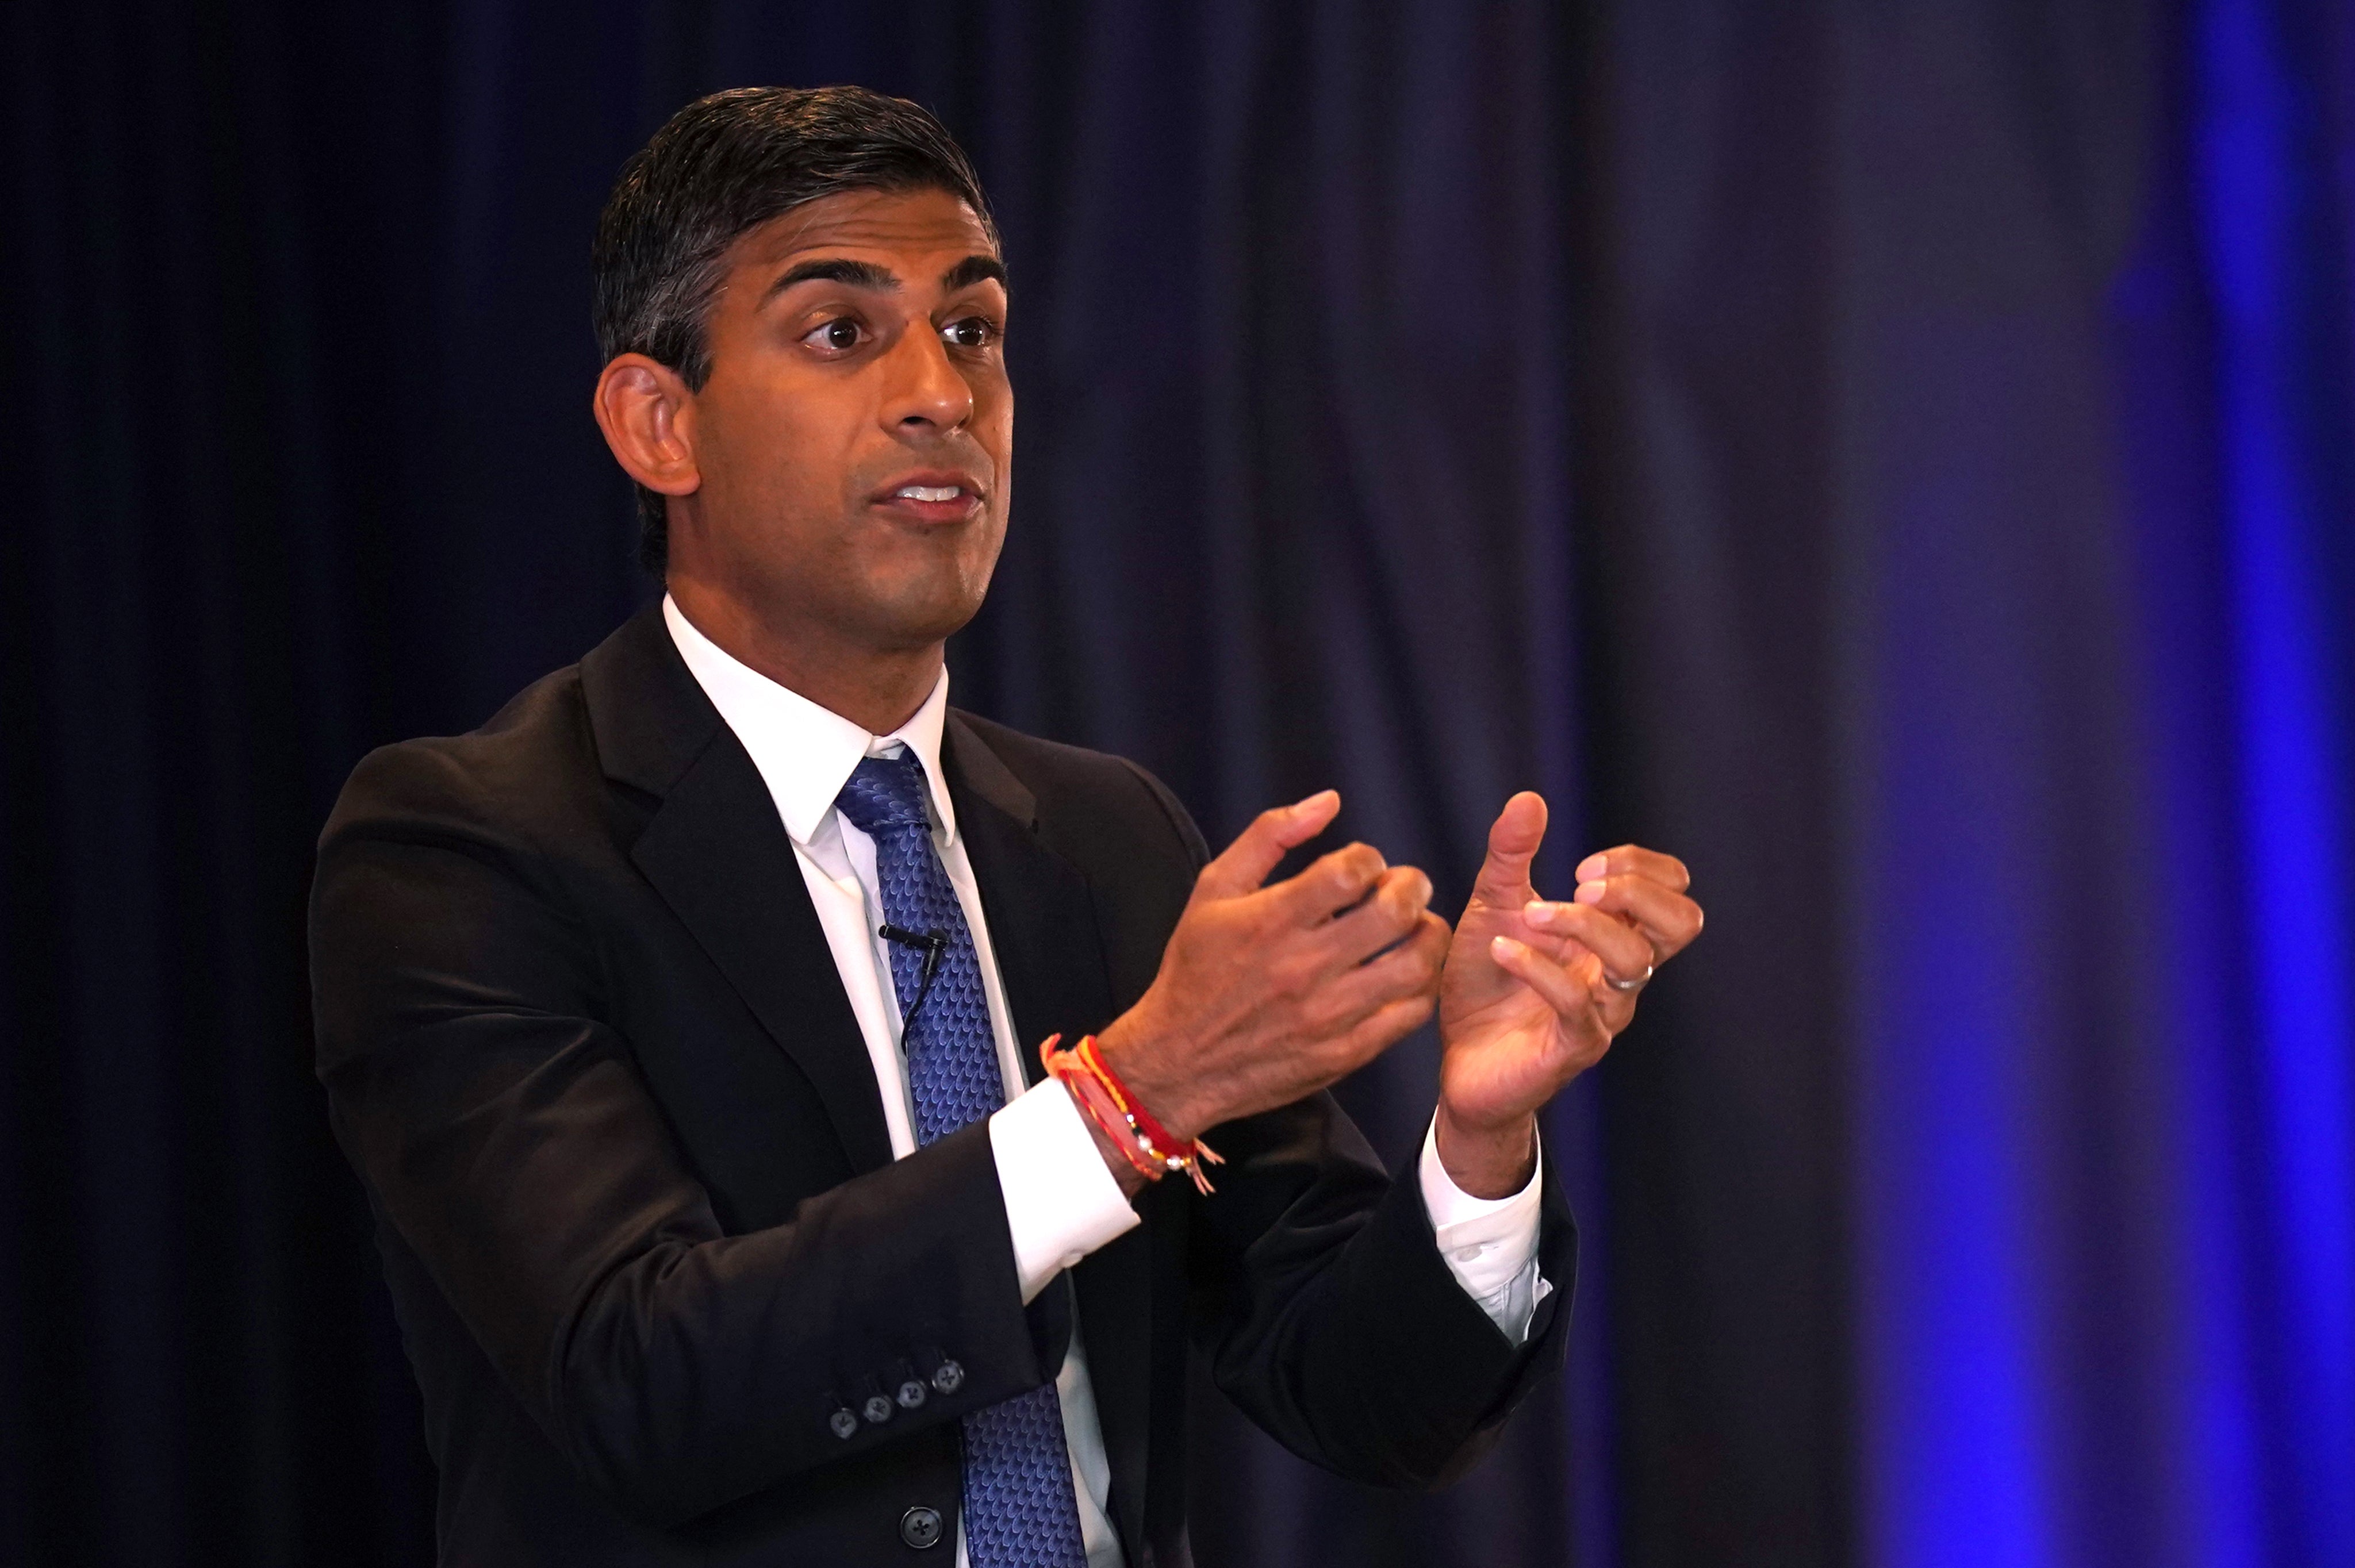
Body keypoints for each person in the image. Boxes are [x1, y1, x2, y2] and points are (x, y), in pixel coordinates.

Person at [309, 84, 1702, 1568]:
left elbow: (1363, 1401)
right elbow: (644, 1382)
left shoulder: (1104, 839)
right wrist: (1124, 1101)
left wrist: (1480, 1139)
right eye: (845, 332)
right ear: (661, 426)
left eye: (972, 330)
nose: (943, 394)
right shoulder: (466, 847)